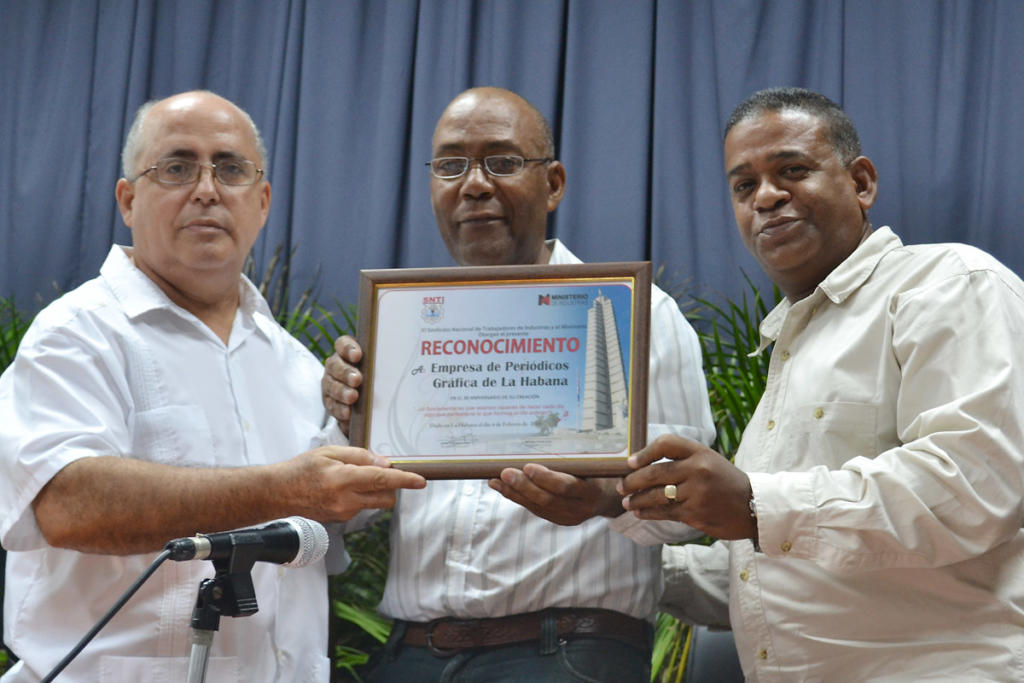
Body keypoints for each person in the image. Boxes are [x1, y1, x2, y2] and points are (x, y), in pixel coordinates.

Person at [0, 91, 425, 682]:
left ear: (262, 201)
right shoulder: (77, 334)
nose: (206, 189)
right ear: (128, 200)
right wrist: (286, 487)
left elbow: (322, 524)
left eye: (230, 169)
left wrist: (367, 446)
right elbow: (68, 505)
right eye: (177, 168)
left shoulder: (296, 364)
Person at [620, 87, 1024, 680]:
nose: (766, 196)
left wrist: (753, 506)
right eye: (744, 185)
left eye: (792, 170)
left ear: (861, 182)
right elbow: (780, 571)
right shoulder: (793, 344)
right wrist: (613, 544)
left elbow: (971, 488)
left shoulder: (947, 283)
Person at [321, 87, 716, 681]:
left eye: (502, 162)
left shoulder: (634, 316)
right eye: (450, 165)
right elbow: (342, 519)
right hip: (411, 656)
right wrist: (348, 428)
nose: (474, 185)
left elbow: (688, 511)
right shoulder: (401, 327)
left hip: (566, 655)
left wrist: (607, 502)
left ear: (553, 184)